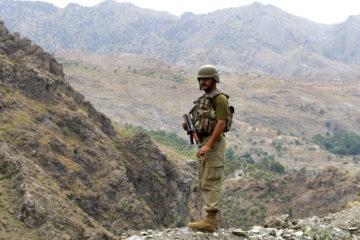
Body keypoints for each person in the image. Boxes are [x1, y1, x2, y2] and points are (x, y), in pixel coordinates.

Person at [183, 65, 231, 232]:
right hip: (203, 143)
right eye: (201, 79)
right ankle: (209, 219)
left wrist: (209, 145)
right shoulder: (204, 99)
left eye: (206, 79)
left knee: (211, 179)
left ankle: (211, 221)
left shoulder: (220, 99)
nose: (203, 82)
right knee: (204, 180)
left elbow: (221, 123)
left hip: (213, 144)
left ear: (214, 79)